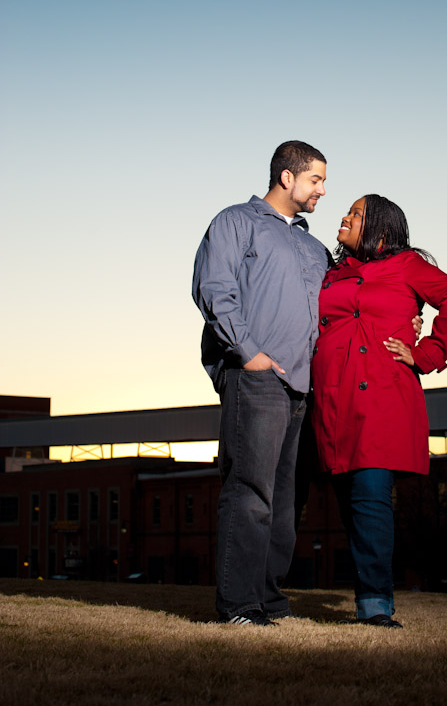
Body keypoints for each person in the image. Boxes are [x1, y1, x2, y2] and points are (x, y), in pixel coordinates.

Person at [311, 194, 447, 628]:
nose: (344, 217)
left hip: (381, 396)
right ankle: (369, 596)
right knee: (349, 506)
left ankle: (375, 605)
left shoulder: (406, 267)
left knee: (370, 499)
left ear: (381, 229)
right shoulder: (332, 272)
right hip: (331, 399)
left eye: (356, 213)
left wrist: (427, 352)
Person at [192, 141, 330, 626]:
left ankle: (270, 599)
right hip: (257, 380)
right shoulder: (236, 222)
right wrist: (249, 354)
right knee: (250, 491)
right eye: (316, 180)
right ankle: (240, 605)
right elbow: (213, 289)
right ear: (287, 178)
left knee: (287, 501)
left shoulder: (316, 248)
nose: (322, 191)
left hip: (304, 387)